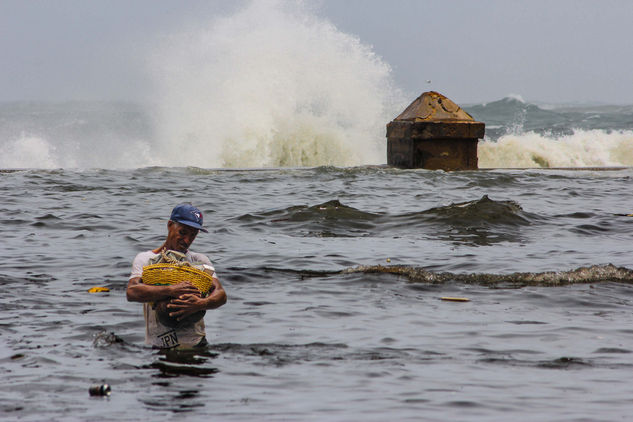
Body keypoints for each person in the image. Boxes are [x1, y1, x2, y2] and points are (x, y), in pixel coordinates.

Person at [127, 203, 227, 349]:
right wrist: (171, 290)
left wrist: (200, 304)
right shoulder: (146, 259)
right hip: (159, 347)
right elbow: (132, 292)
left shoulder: (200, 261)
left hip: (196, 345)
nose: (187, 240)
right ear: (170, 225)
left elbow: (221, 294)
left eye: (193, 235)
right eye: (183, 232)